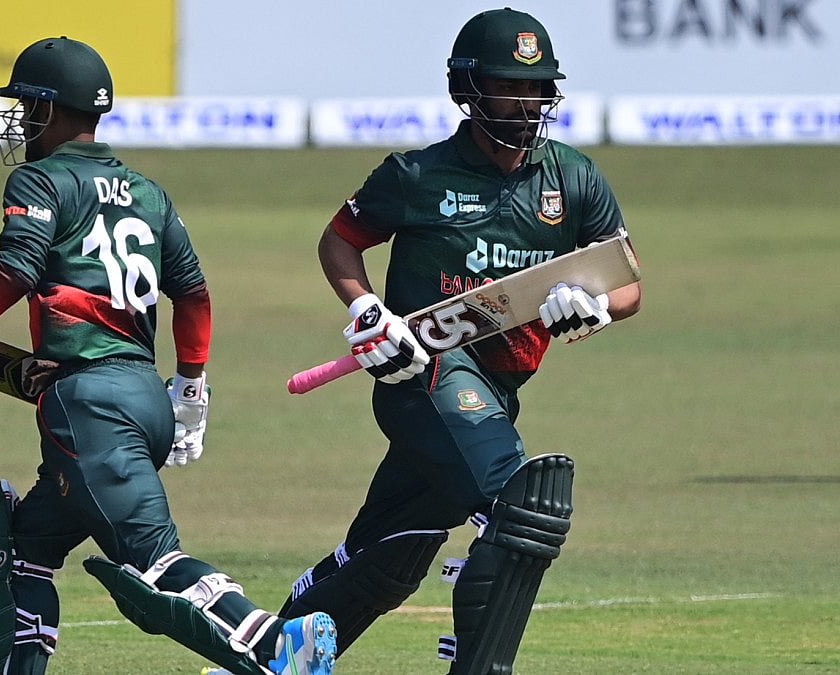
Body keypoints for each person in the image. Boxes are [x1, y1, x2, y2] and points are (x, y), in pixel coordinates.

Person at [0, 36, 336, 675]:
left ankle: (279, 646)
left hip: (90, 408)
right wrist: (190, 392)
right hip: (140, 394)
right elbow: (192, 295)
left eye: (27, 105)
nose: (20, 119)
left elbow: (13, 271)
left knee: (153, 561)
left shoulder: (41, 179)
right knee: (16, 551)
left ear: (51, 111)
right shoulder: (148, 191)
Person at [274, 8, 642, 675]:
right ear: (468, 90)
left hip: (495, 389)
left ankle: (274, 657)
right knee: (520, 503)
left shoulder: (573, 178)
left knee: (390, 553)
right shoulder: (416, 176)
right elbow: (339, 240)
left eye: (538, 88)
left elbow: (627, 283)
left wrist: (595, 307)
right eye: (510, 86)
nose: (527, 102)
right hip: (422, 374)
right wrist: (366, 310)